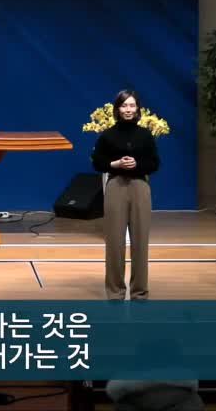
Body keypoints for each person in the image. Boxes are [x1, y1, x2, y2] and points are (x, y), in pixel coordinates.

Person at [91, 90, 160, 300]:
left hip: (140, 186)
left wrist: (137, 164)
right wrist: (116, 164)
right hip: (116, 186)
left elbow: (154, 163)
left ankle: (140, 292)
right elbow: (97, 162)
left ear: (137, 108)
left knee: (140, 241)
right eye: (124, 105)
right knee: (114, 241)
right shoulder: (108, 135)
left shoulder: (145, 135)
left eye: (131, 105)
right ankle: (115, 292)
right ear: (117, 109)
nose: (128, 109)